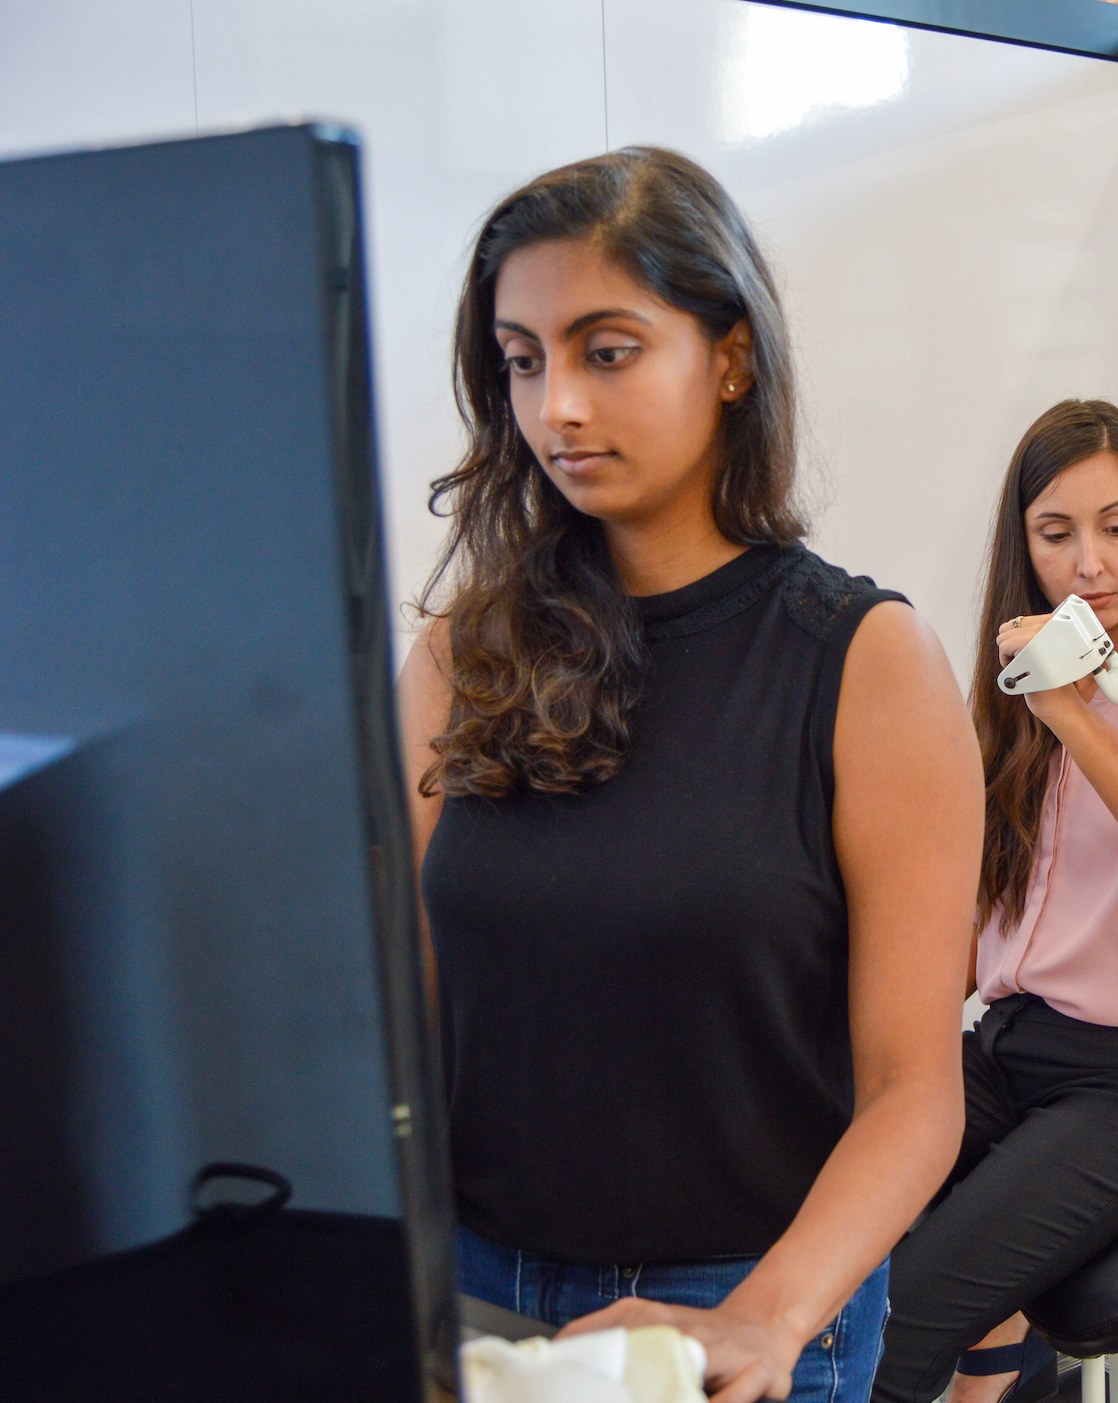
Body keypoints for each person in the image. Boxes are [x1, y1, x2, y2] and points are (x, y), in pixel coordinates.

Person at [396, 147, 982, 1403]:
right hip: (479, 1296)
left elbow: (914, 1091)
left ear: (727, 357)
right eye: (520, 358)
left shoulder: (865, 663)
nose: (555, 405)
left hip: (749, 1308)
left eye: (606, 351)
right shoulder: (463, 659)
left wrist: (767, 1318)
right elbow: (396, 1016)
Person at [870, 401, 1118, 1403]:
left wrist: (1071, 703)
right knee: (815, 1210)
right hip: (1012, 1044)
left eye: (1116, 527)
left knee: (902, 1315)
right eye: (1056, 535)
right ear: (1024, 543)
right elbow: (974, 906)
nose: (1089, 563)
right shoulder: (1005, 692)